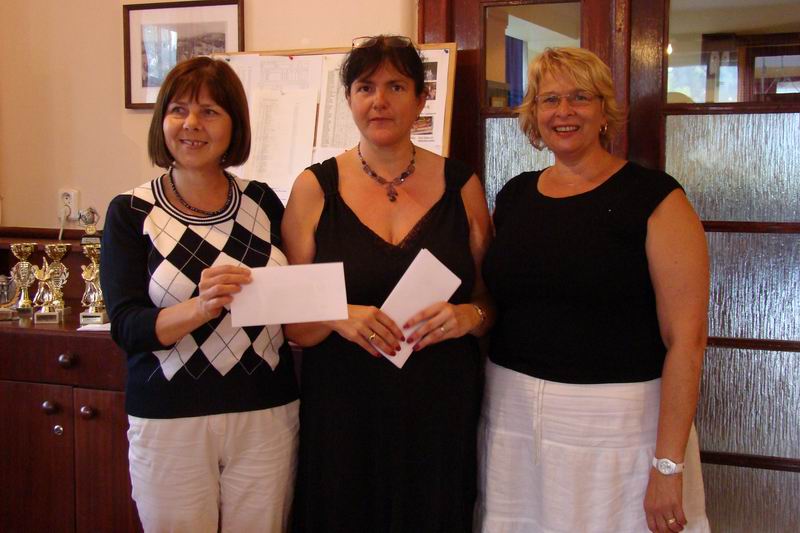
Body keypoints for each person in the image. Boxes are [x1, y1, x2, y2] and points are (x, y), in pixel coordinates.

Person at [477, 47, 711, 533]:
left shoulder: (656, 198)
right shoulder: (515, 195)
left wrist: (668, 465)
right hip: (513, 418)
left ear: (604, 110)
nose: (563, 111)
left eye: (580, 97)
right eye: (549, 99)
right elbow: (499, 302)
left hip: (619, 427)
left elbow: (686, 341)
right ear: (534, 113)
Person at [282, 35, 494, 532]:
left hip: (440, 408)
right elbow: (292, 325)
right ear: (349, 99)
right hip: (343, 409)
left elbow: (490, 301)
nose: (379, 100)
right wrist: (339, 314)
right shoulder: (314, 188)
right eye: (365, 87)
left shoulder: (463, 186)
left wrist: (469, 316)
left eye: (396, 86)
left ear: (421, 99)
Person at [100, 56, 299, 533]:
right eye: (179, 110)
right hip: (170, 419)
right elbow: (127, 327)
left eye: (210, 111)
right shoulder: (131, 211)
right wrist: (201, 307)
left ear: (234, 125)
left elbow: (294, 293)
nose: (192, 123)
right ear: (162, 121)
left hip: (265, 414)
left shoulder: (263, 201)